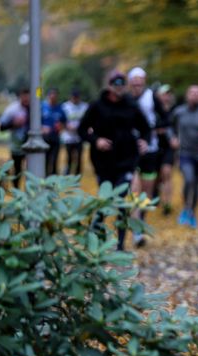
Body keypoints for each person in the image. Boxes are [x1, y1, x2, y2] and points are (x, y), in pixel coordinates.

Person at [78, 70, 151, 251]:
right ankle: (97, 231)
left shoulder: (131, 105)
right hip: (103, 162)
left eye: (122, 85)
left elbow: (146, 128)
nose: (119, 88)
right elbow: (82, 130)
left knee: (120, 200)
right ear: (109, 86)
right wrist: (97, 141)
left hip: (127, 160)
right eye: (115, 84)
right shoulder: (97, 106)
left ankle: (119, 244)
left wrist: (144, 141)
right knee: (105, 200)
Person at [127, 67, 168, 246]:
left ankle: (141, 219)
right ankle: (137, 231)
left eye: (140, 83)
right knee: (134, 189)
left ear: (144, 82)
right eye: (134, 83)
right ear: (130, 83)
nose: (137, 86)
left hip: (150, 150)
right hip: (130, 150)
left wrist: (156, 128)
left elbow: (166, 118)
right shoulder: (125, 98)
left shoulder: (151, 97)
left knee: (147, 192)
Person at [171, 85, 198, 228]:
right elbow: (169, 127)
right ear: (186, 95)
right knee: (188, 179)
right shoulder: (179, 112)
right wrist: (172, 138)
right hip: (184, 153)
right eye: (192, 93)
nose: (195, 95)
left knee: (196, 183)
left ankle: (192, 213)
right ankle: (185, 208)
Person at [0, 88, 30, 188]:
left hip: (31, 145)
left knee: (32, 170)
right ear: (20, 96)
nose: (26, 99)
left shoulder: (34, 109)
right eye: (24, 97)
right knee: (17, 169)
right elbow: (1, 127)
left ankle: (30, 191)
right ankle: (16, 190)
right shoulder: (12, 109)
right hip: (17, 145)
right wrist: (14, 123)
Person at [154, 84, 176, 216]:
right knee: (156, 177)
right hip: (154, 147)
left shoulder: (175, 111)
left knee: (166, 173)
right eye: (164, 94)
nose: (166, 96)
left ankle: (167, 204)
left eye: (168, 94)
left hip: (168, 147)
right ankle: (154, 198)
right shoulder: (152, 110)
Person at [61, 89, 88, 175]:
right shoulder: (65, 106)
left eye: (77, 97)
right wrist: (66, 126)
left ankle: (77, 174)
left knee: (79, 157)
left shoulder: (85, 106)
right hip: (68, 136)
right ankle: (68, 173)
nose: (75, 99)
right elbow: (61, 120)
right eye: (74, 97)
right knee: (69, 157)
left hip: (80, 136)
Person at [41, 88, 67, 176]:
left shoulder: (60, 108)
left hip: (55, 138)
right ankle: (44, 178)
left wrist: (61, 126)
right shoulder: (42, 107)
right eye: (51, 95)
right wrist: (42, 128)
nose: (53, 97)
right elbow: (35, 122)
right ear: (48, 96)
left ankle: (53, 180)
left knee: (55, 160)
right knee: (45, 160)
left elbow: (64, 122)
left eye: (55, 95)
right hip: (44, 138)